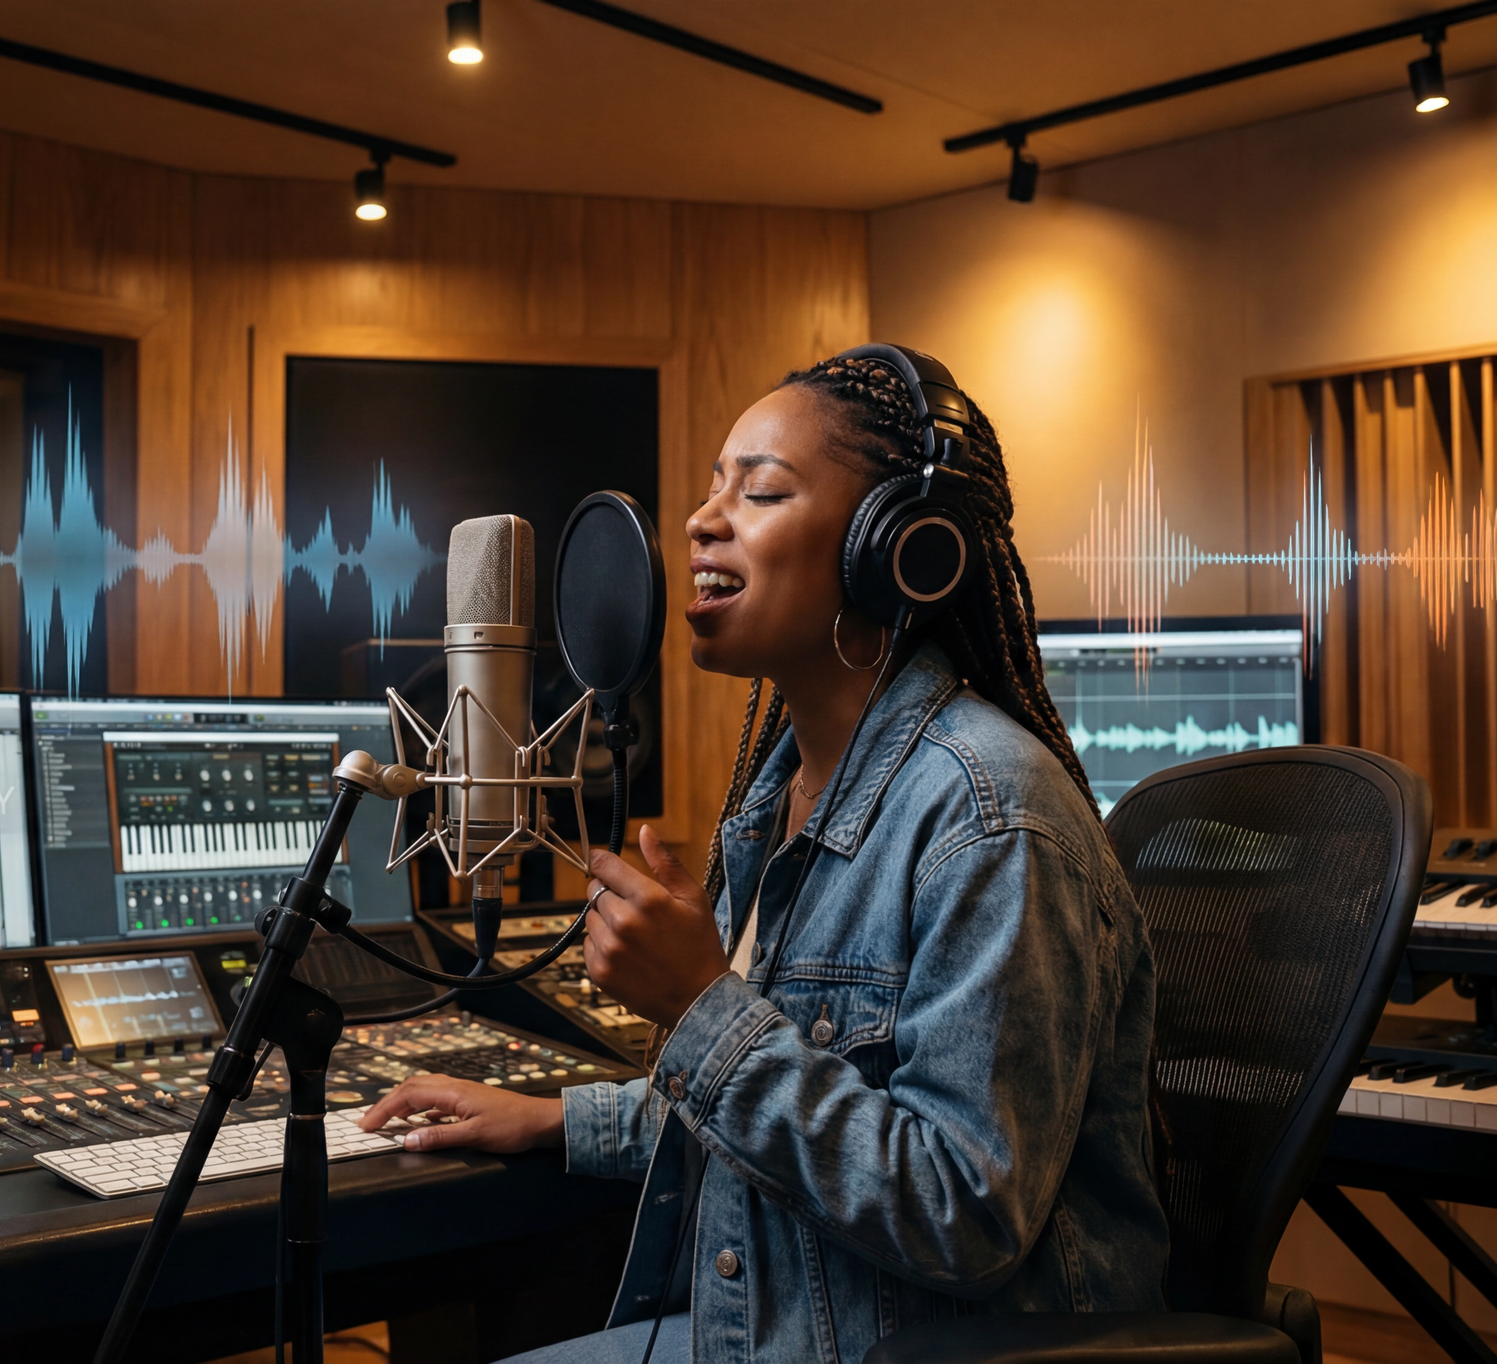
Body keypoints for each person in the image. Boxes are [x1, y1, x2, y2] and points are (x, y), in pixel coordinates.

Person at [358, 348, 1167, 1362]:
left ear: (893, 549)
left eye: (762, 490)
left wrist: (701, 1005)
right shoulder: (774, 798)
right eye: (709, 485)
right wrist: (554, 1118)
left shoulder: (988, 817)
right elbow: (771, 1115)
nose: (701, 519)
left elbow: (965, 1212)